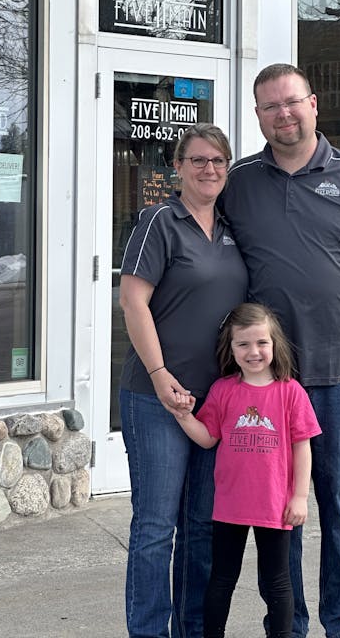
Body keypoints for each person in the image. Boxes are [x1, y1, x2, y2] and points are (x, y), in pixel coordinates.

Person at [222, 64, 340, 638]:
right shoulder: (239, 181)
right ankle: (289, 624)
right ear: (258, 117)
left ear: (313, 104)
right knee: (280, 513)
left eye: (292, 102)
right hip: (270, 384)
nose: (283, 114)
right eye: (270, 107)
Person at [118, 123, 248, 638]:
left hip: (214, 402)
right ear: (178, 166)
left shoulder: (233, 228)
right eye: (198, 160)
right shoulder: (159, 221)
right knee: (155, 529)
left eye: (218, 161)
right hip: (157, 400)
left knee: (201, 528)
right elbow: (133, 301)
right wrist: (159, 374)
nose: (209, 170)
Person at [173, 302, 322, 638]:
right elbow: (208, 438)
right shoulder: (223, 390)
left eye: (261, 343)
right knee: (222, 578)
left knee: (277, 580)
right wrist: (184, 416)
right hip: (230, 505)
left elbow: (303, 446)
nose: (253, 351)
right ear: (231, 348)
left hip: (275, 504)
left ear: (274, 345)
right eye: (243, 344)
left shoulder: (290, 392)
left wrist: (299, 497)